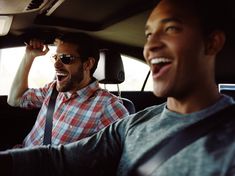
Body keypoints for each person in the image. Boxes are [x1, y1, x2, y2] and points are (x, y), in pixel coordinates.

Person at [1, 0, 235, 175]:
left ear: (212, 42)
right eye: (148, 34)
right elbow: (60, 158)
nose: (150, 46)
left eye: (171, 28)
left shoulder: (111, 108)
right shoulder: (134, 124)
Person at [7, 32, 129, 147]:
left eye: (66, 58)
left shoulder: (108, 106)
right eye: (56, 57)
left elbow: (124, 156)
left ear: (88, 64)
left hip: (40, 168)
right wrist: (29, 56)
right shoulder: (52, 89)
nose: (56, 65)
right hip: (18, 156)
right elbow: (15, 99)